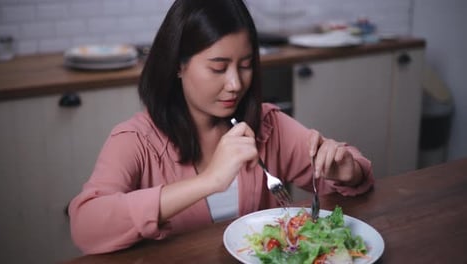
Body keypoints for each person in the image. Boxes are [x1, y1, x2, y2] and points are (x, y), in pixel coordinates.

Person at [68, 0, 374, 255]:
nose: (235, 84)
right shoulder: (136, 140)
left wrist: (348, 169)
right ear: (178, 65)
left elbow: (357, 173)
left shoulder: (268, 126)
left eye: (245, 65)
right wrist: (210, 180)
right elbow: (86, 226)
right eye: (218, 67)